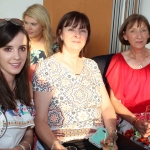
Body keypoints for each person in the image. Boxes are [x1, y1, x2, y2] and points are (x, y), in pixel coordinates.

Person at [32, 11, 118, 150]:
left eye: (82, 30)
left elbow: (107, 107)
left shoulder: (92, 65)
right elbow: (40, 120)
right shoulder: (46, 67)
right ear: (60, 33)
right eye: (71, 29)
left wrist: (111, 135)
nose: (77, 35)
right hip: (64, 141)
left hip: (99, 140)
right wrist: (55, 145)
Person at [106, 14, 150, 149]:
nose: (139, 35)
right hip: (128, 117)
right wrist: (135, 121)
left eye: (143, 30)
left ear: (149, 34)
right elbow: (114, 102)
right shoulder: (118, 61)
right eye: (133, 31)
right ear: (125, 36)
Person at [0, 19, 34, 149]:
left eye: (22, 48)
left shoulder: (27, 87)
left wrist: (21, 147)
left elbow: (28, 134)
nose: (17, 56)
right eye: (8, 49)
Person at [22, 4, 57, 81]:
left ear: (43, 25)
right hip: (23, 88)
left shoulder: (55, 45)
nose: (28, 28)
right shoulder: (19, 42)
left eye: (33, 24)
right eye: (26, 23)